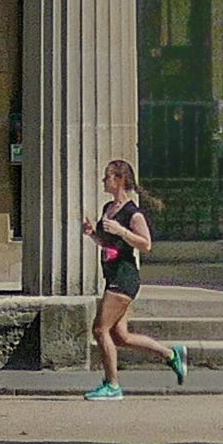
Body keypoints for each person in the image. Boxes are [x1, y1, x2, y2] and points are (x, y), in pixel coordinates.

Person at [82, 157, 172, 399]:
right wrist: (93, 234)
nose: (104, 180)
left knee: (100, 330)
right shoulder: (108, 209)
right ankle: (170, 354)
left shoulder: (133, 213)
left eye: (108, 176)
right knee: (120, 336)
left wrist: (122, 230)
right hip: (111, 273)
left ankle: (112, 385)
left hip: (124, 276)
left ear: (120, 180)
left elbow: (146, 244)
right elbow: (108, 243)